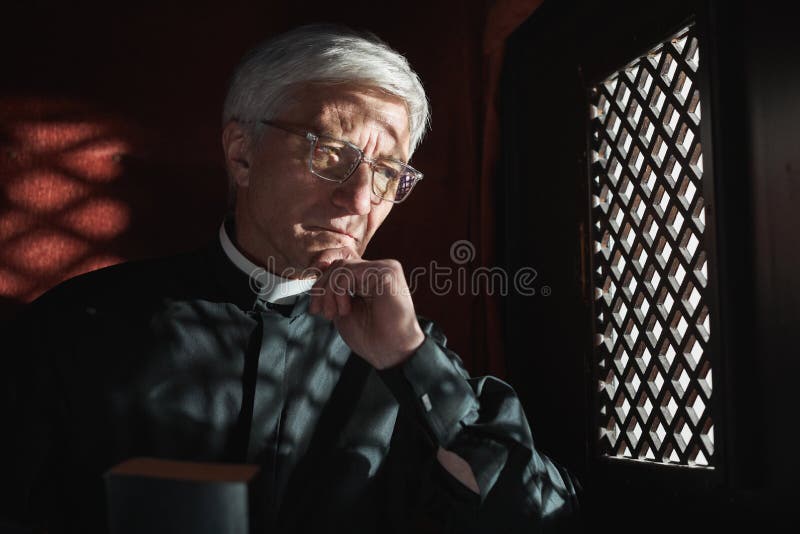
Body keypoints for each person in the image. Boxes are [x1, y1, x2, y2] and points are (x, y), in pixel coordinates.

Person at [0, 24, 580, 533]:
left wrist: (410, 360)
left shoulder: (410, 358)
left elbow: (538, 515)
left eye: (386, 173)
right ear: (241, 152)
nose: (358, 199)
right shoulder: (76, 329)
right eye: (330, 152)